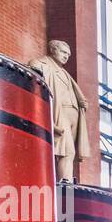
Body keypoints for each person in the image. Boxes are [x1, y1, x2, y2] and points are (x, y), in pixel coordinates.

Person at [30, 39, 91, 181]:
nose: (66, 56)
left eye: (68, 55)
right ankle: (65, 186)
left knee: (70, 152)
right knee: (66, 151)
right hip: (59, 113)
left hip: (74, 118)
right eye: (63, 52)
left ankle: (65, 182)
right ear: (53, 50)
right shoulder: (40, 64)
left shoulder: (65, 73)